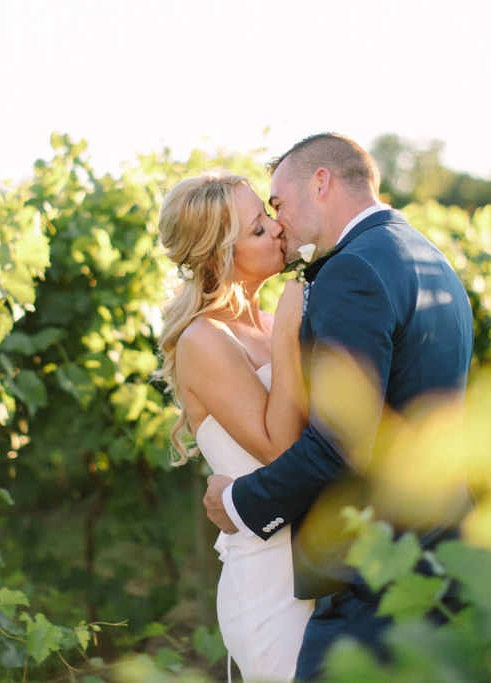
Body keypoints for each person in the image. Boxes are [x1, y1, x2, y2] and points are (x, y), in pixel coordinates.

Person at [203, 133, 474, 680]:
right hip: (442, 555)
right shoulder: (427, 255)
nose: (279, 224)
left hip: (377, 579)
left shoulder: (353, 271)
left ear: (321, 182)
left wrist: (238, 505)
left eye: (277, 204)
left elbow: (340, 445)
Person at [156, 171, 314, 681]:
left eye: (267, 215)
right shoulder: (204, 338)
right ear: (216, 255)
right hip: (271, 580)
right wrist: (291, 329)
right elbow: (280, 449)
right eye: (257, 229)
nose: (276, 228)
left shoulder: (269, 323)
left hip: (320, 562)